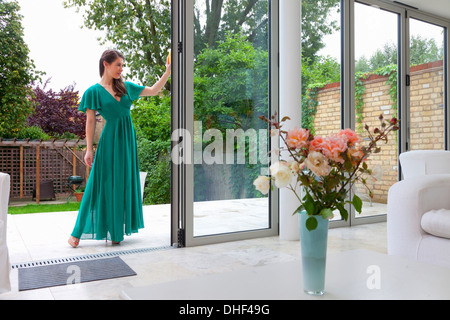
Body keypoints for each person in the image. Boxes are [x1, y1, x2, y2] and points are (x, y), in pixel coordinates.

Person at [68, 49, 171, 247]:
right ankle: (76, 233)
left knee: (122, 183)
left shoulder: (126, 87)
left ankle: (116, 232)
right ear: (105, 64)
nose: (121, 69)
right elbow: (90, 121)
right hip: (109, 141)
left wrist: (167, 72)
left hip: (127, 141)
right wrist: (88, 149)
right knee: (97, 184)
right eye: (118, 65)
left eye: (122, 65)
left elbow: (154, 90)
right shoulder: (93, 92)